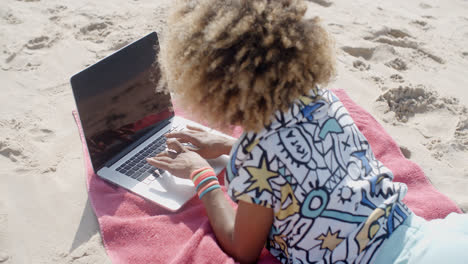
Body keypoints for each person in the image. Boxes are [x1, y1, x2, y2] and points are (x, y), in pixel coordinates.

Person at [146, 0, 468, 263]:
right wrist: (229, 145)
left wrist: (202, 175)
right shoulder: (321, 99)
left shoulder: (256, 152)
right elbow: (298, 161)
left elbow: (242, 249)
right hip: (430, 239)